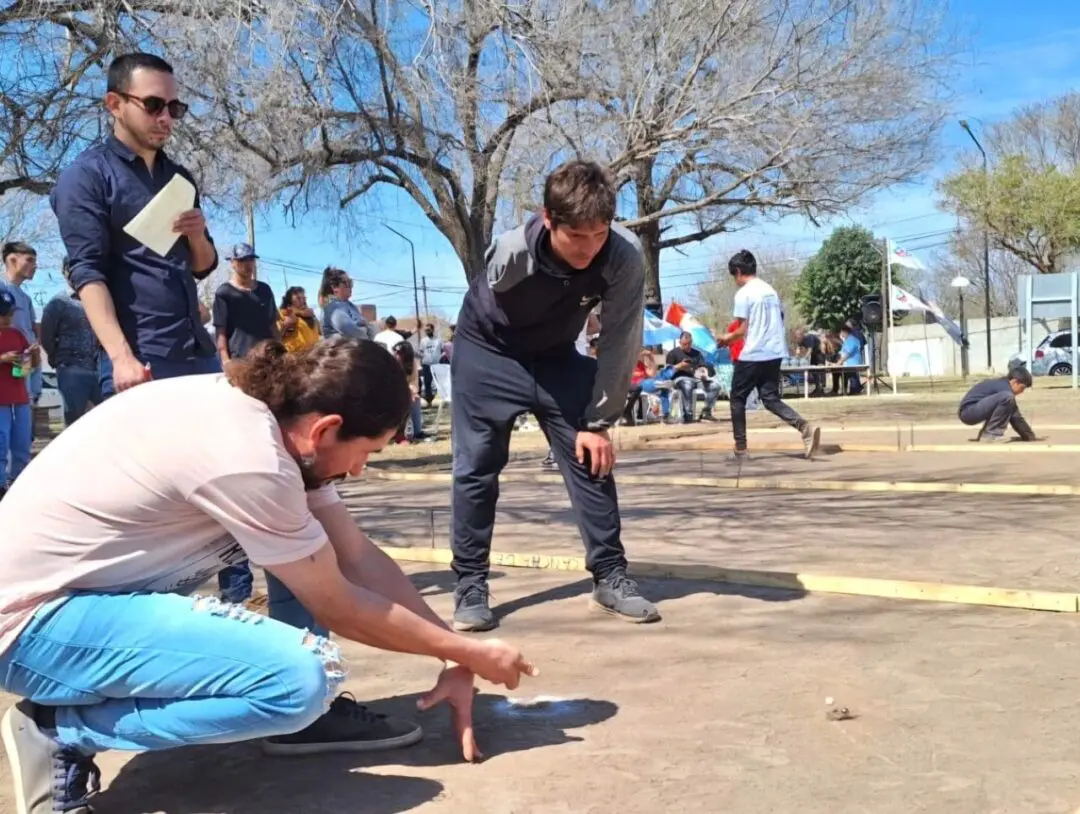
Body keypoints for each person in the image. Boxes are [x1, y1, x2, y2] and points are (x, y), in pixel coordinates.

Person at [0, 337, 538, 813]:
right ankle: (60, 729)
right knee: (298, 681)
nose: (359, 471)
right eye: (366, 452)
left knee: (303, 569)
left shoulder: (271, 421)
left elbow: (356, 556)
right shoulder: (251, 458)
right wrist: (473, 652)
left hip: (76, 602)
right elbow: (337, 604)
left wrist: (450, 652)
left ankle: (75, 706)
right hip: (29, 627)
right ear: (327, 428)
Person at [449, 159, 658, 632]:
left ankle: (610, 577)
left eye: (598, 234)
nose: (588, 248)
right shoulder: (511, 252)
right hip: (489, 350)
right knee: (476, 465)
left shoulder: (623, 257)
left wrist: (600, 420)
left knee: (592, 456)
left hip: (557, 355)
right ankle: (469, 585)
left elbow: (621, 339)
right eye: (576, 236)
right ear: (549, 219)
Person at [49, 52, 219, 398]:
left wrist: (197, 235)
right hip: (140, 361)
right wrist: (121, 357)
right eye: (154, 104)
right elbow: (88, 273)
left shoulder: (179, 178)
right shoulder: (85, 178)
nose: (166, 118)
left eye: (175, 108)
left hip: (199, 353)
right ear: (115, 104)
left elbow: (202, 267)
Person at [718, 250, 820, 460]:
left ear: (738, 272)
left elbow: (741, 330)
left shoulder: (744, 294)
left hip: (753, 352)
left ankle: (741, 448)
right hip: (774, 352)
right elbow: (779, 318)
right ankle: (803, 426)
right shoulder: (771, 291)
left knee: (737, 398)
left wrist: (726, 339)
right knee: (770, 398)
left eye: (734, 276)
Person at [40, 258, 102, 426]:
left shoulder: (98, 300)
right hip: (71, 369)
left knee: (105, 418)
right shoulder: (58, 303)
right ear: (66, 273)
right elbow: (46, 336)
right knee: (75, 421)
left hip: (99, 369)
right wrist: (58, 358)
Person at [212, 243, 279, 367]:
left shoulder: (265, 289)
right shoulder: (224, 292)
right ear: (232, 262)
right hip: (241, 361)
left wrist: (281, 352)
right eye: (242, 260)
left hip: (269, 359)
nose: (248, 264)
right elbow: (220, 331)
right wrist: (226, 361)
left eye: (251, 259)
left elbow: (273, 325)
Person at [0, 243, 42, 412]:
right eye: (29, 260)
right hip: (8, 363)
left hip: (26, 361)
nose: (35, 266)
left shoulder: (25, 298)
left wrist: (34, 351)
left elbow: (32, 328)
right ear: (11, 259)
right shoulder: (2, 289)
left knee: (27, 405)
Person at [0, 290, 32, 497]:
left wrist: (31, 357)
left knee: (22, 442)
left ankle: (20, 482)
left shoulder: (17, 334)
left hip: (20, 397)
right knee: (1, 441)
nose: (8, 319)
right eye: (4, 315)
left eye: (10, 314)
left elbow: (26, 369)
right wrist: (2, 358)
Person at [958, 365, 1037, 442]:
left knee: (1006, 400)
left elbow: (1011, 414)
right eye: (1022, 388)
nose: (1022, 392)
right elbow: (1015, 416)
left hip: (970, 411)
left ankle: (986, 433)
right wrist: (1028, 435)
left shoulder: (1002, 385)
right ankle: (992, 434)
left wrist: (1028, 436)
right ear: (1014, 382)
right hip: (968, 411)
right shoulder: (1005, 389)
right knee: (1007, 397)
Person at [664, 331, 722, 422]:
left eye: (689, 344)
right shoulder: (673, 353)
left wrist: (703, 373)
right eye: (684, 344)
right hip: (680, 379)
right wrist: (679, 366)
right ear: (680, 342)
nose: (687, 346)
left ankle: (706, 412)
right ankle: (688, 415)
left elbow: (703, 366)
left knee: (715, 386)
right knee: (687, 384)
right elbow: (667, 372)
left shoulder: (697, 353)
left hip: (697, 378)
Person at [319, 268, 375, 340]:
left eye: (351, 282)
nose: (351, 286)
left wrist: (365, 327)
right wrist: (365, 330)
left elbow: (369, 328)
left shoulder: (351, 306)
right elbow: (351, 331)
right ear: (335, 287)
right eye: (347, 283)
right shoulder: (332, 308)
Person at [278, 286, 322, 354]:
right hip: (296, 359)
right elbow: (275, 337)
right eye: (298, 298)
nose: (302, 301)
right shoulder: (283, 314)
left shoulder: (309, 314)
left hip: (314, 355)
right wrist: (285, 325)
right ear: (289, 300)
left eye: (304, 298)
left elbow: (320, 331)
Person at [418, 323, 442, 405]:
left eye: (428, 330)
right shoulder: (423, 340)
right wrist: (421, 361)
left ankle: (439, 398)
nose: (427, 331)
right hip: (426, 364)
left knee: (438, 382)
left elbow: (442, 350)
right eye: (425, 330)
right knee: (427, 382)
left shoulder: (438, 340)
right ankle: (428, 399)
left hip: (436, 364)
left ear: (432, 329)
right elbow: (421, 351)